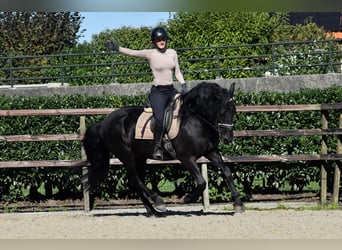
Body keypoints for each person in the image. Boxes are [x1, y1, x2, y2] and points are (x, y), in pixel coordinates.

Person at [105, 27, 187, 160]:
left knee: (185, 112)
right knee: (159, 119)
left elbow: (177, 71)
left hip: (171, 90)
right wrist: (117, 48)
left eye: (163, 39)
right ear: (154, 41)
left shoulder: (172, 53)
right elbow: (132, 53)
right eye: (159, 40)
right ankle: (157, 147)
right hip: (158, 92)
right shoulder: (150, 53)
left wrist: (183, 84)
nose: (162, 41)